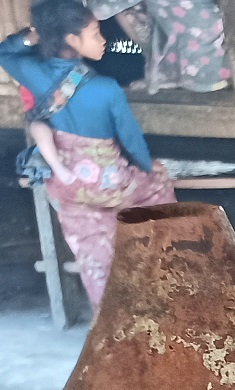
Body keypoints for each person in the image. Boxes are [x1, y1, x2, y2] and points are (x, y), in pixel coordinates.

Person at [3, 0, 174, 308]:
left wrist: (31, 36)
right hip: (108, 183)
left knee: (92, 252)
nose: (103, 39)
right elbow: (131, 140)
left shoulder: (33, 72)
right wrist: (150, 167)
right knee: (158, 186)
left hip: (65, 185)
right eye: (95, 32)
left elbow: (5, 52)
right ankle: (158, 274)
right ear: (71, 40)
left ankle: (108, 318)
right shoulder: (106, 88)